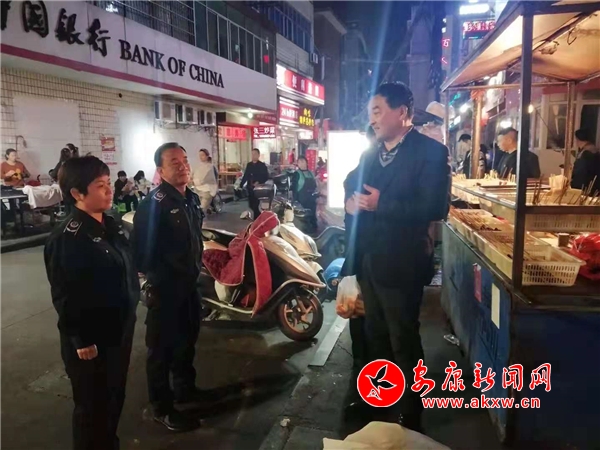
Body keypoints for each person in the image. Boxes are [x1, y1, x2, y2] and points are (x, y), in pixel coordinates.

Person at [342, 83, 451, 431]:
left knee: (403, 337)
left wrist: (381, 204)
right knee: (374, 334)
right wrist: (350, 201)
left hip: (403, 262)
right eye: (370, 113)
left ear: (402, 112)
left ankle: (411, 408)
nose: (372, 119)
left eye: (378, 111)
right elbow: (350, 183)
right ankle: (380, 396)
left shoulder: (431, 152)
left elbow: (435, 207)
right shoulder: (371, 153)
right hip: (370, 261)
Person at [44, 156, 138, 450]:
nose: (109, 190)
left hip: (118, 330)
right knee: (92, 407)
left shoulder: (108, 225)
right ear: (77, 193)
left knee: (113, 398)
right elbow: (65, 293)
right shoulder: (69, 237)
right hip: (92, 341)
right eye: (100, 185)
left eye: (109, 183)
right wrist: (81, 339)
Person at [131, 143, 205, 432]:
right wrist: (160, 278)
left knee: (187, 340)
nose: (183, 165)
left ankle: (185, 389)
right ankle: (161, 407)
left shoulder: (191, 199)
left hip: (189, 286)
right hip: (166, 289)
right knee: (161, 350)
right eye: (174, 162)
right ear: (160, 171)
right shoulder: (154, 204)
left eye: (185, 160)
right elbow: (141, 253)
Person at [241, 148, 269, 219]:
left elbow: (266, 176)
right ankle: (259, 217)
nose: (253, 156)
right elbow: (246, 175)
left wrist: (259, 182)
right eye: (252, 154)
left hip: (258, 188)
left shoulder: (262, 165)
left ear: (258, 155)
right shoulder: (249, 165)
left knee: (256, 204)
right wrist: (241, 184)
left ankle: (257, 219)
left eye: (255, 154)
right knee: (251, 204)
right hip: (250, 187)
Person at [291, 156, 318, 231]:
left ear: (306, 163)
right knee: (303, 217)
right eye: (299, 162)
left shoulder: (311, 173)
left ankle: (313, 230)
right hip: (301, 198)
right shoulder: (297, 174)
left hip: (311, 198)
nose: (301, 164)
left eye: (302, 161)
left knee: (312, 214)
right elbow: (294, 188)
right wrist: (295, 200)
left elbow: (315, 185)